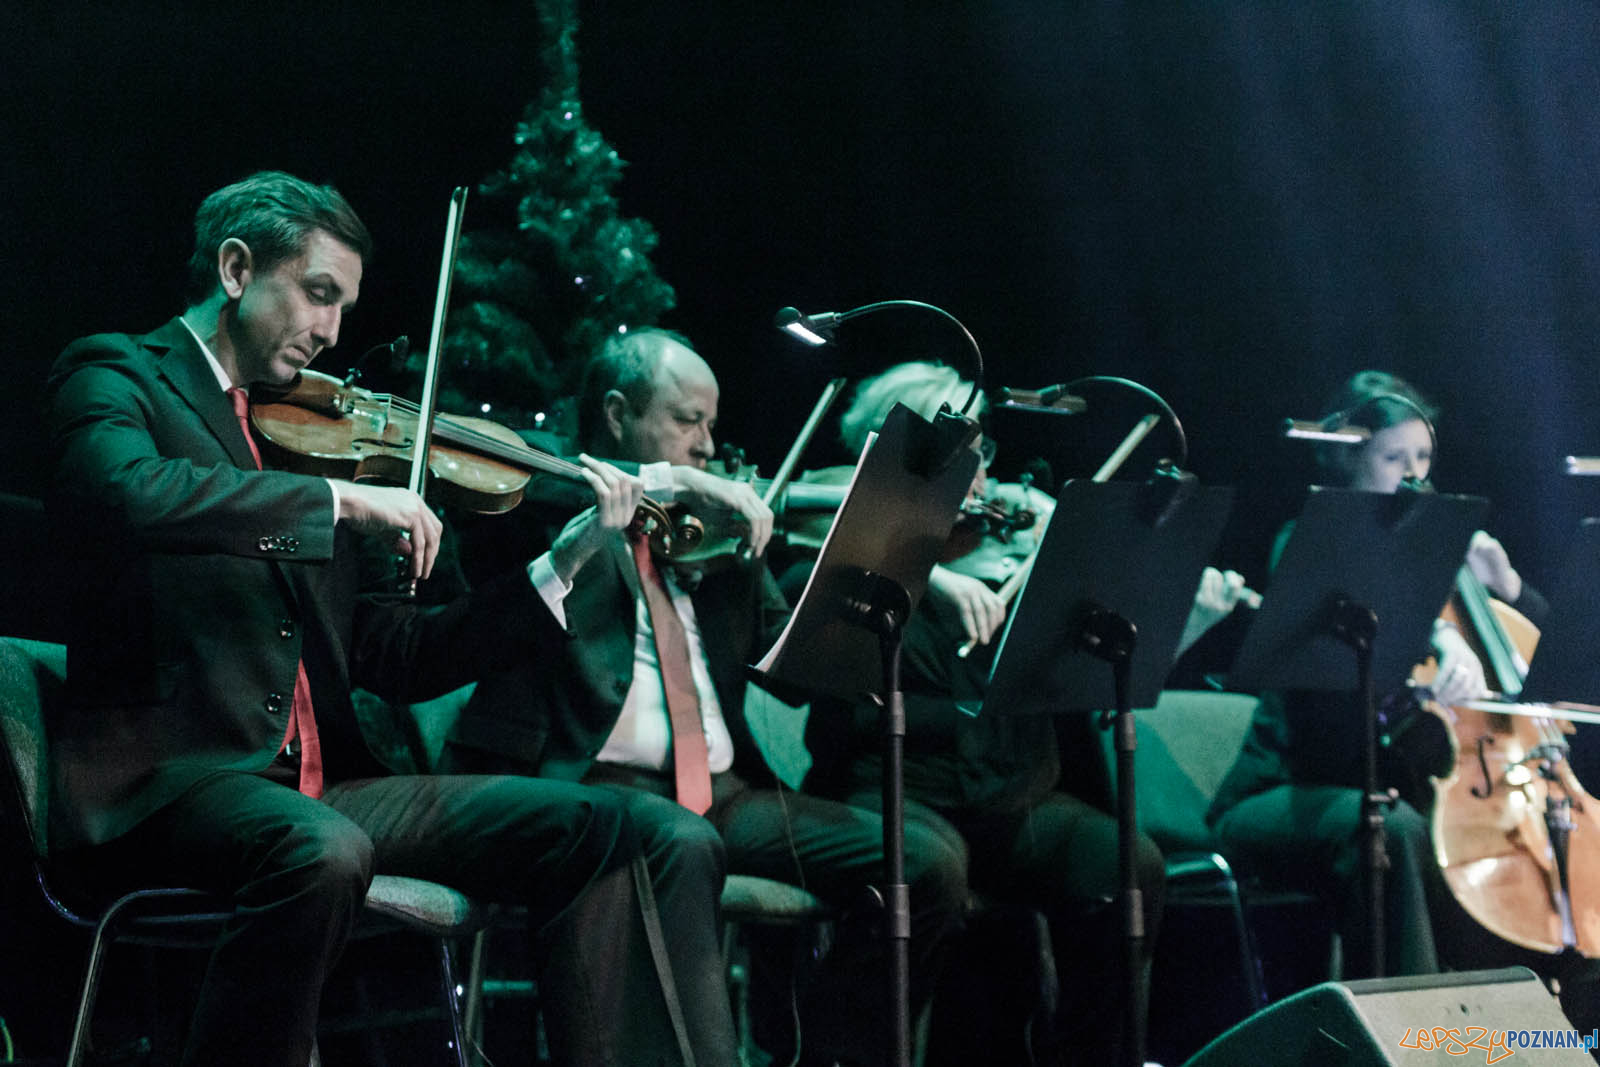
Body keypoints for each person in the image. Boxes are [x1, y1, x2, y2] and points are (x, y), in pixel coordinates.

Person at [44, 171, 729, 1067]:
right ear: (237, 267)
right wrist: (332, 499)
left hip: (334, 786)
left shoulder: (313, 430)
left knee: (646, 831)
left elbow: (398, 657)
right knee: (320, 851)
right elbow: (124, 493)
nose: (332, 331)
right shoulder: (117, 373)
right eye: (318, 293)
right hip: (178, 780)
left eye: (344, 304)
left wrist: (559, 563)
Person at [441, 329, 969, 1067]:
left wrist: (864, 578)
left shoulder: (711, 541)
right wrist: (668, 484)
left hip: (722, 790)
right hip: (590, 783)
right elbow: (527, 469)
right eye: (688, 420)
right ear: (620, 413)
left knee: (925, 859)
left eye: (712, 426)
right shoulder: (543, 505)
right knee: (678, 848)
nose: (708, 446)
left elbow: (792, 666)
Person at [798, 360, 1253, 1066]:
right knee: (929, 869)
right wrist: (920, 572)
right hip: (896, 792)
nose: (982, 479)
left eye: (983, 455)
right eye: (959, 456)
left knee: (1129, 864)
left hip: (1013, 798)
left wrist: (1182, 622)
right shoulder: (836, 558)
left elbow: (1093, 691)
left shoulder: (1009, 553)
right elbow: (819, 657)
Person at [1206, 369, 1549, 980]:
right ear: (1349, 460)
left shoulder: (1436, 557)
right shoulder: (1307, 542)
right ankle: (1412, 1027)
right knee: (1394, 834)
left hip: (1399, 785)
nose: (1414, 473)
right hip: (1288, 788)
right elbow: (1329, 707)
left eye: (1422, 454)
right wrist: (1438, 635)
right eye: (1394, 457)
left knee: (1507, 840)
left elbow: (1540, 669)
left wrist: (1511, 587)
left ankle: (1526, 1024)